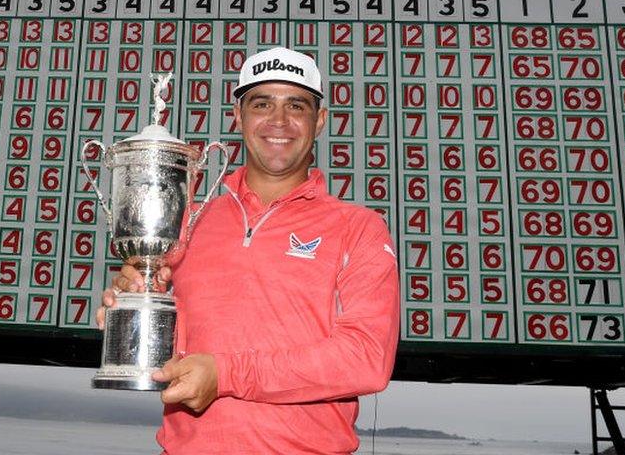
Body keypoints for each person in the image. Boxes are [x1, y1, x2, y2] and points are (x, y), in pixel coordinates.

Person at [97, 46, 400, 454]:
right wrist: (136, 310)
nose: (279, 121)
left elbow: (365, 358)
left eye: (296, 105)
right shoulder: (188, 222)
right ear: (238, 116)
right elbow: (184, 354)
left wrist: (227, 375)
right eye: (262, 104)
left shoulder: (359, 229)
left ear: (320, 121)